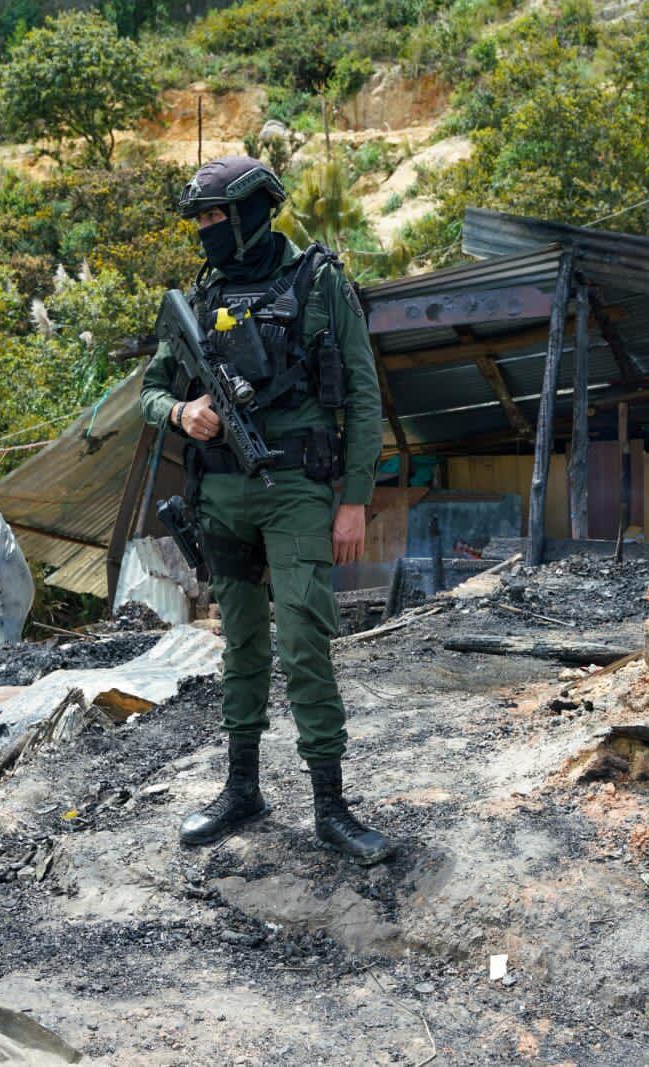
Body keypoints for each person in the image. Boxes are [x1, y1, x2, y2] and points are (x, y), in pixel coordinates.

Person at [139, 155, 393, 865]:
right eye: (198, 220)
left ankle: (332, 807)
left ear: (252, 212)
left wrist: (354, 501)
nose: (205, 231)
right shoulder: (205, 292)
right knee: (241, 644)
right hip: (220, 494)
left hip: (297, 492)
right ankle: (241, 788)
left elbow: (365, 396)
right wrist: (182, 410)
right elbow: (150, 392)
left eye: (215, 216)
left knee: (305, 641)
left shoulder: (317, 281)